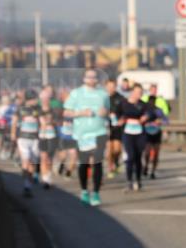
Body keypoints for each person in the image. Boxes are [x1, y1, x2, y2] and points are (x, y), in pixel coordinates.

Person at [64, 69, 111, 206]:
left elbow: (109, 112)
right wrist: (81, 113)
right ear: (84, 79)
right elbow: (66, 112)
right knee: (84, 163)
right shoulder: (76, 93)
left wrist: (106, 112)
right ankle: (84, 190)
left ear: (97, 79)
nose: (91, 79)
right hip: (81, 134)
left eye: (94, 77)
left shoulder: (103, 94)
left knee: (97, 162)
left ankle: (96, 192)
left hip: (99, 132)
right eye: (89, 77)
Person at [116, 83, 153, 191]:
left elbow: (150, 113)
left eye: (140, 93)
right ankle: (129, 181)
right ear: (132, 92)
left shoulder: (143, 105)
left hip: (140, 134)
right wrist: (120, 119)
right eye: (137, 92)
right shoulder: (124, 103)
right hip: (128, 133)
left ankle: (138, 180)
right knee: (130, 157)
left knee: (138, 157)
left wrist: (146, 116)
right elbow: (117, 114)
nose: (138, 94)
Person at [11, 90, 42, 198]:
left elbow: (41, 122)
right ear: (30, 99)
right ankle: (26, 185)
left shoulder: (38, 109)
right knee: (26, 160)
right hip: (23, 138)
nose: (36, 100)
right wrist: (13, 134)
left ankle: (29, 183)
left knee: (32, 163)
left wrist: (43, 131)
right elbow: (14, 122)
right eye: (35, 98)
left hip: (35, 139)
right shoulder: (20, 109)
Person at [142, 84, 169, 179]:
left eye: (153, 102)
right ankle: (145, 166)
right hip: (147, 133)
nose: (151, 104)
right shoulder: (144, 110)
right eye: (150, 102)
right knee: (147, 152)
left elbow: (166, 120)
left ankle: (152, 171)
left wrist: (160, 121)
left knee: (156, 153)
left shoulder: (159, 110)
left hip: (157, 133)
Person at [37, 86, 59, 190]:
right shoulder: (38, 110)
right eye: (43, 99)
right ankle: (45, 179)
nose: (45, 101)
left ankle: (49, 176)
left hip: (51, 136)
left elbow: (57, 122)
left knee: (49, 159)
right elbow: (39, 123)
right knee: (43, 157)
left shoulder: (53, 111)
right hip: (42, 136)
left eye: (47, 99)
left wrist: (51, 122)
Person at [105, 78, 125, 177]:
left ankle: (116, 161)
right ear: (106, 87)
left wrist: (122, 119)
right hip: (106, 127)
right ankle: (110, 168)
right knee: (109, 149)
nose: (110, 88)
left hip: (117, 127)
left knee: (117, 150)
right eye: (109, 86)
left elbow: (126, 111)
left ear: (115, 87)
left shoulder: (120, 98)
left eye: (112, 87)